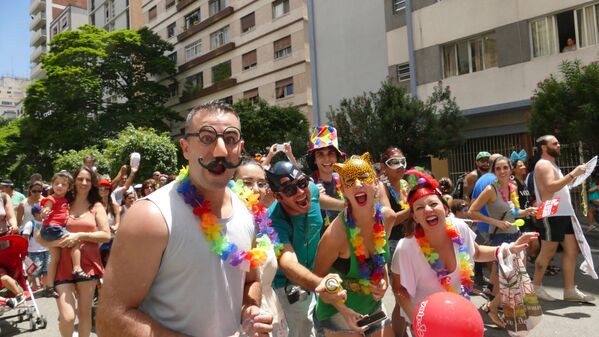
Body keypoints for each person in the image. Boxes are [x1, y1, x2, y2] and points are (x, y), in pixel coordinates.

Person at [96, 102, 273, 336]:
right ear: (186, 147)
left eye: (230, 139)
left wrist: (249, 310)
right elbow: (111, 319)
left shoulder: (247, 211)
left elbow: (250, 281)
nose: (220, 151)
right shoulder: (151, 216)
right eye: (207, 138)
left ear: (240, 148)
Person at [390, 172, 539, 330]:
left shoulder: (459, 228)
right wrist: (418, 322)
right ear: (415, 217)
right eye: (419, 207)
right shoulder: (406, 248)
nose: (427, 210)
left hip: (459, 316)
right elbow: (400, 289)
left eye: (433, 204)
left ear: (446, 209)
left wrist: (509, 248)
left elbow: (477, 252)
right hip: (428, 324)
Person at [313, 153, 395, 336]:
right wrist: (342, 309)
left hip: (372, 308)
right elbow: (317, 278)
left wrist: (384, 282)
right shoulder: (336, 234)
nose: (358, 184)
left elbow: (381, 259)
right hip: (337, 312)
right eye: (350, 180)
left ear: (375, 183)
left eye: (364, 177)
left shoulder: (387, 218)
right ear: (342, 188)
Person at [266, 161, 345, 337]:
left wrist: (344, 205)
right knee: (303, 330)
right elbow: (288, 263)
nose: (301, 192)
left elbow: (317, 197)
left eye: (302, 183)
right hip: (291, 285)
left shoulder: (310, 190)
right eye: (289, 190)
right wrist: (319, 285)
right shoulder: (272, 222)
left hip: (317, 273)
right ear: (278, 197)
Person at [37, 166, 110, 337]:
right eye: (79, 179)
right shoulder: (63, 202)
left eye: (87, 179)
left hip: (87, 266)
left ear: (92, 183)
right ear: (73, 181)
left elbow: (106, 235)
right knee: (68, 318)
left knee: (85, 316)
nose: (83, 183)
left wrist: (79, 236)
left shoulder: (96, 206)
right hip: (62, 266)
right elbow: (40, 237)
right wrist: (59, 242)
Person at [468, 156, 537, 327]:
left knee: (514, 277)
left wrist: (525, 211)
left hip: (515, 235)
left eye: (505, 167)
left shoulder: (511, 187)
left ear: (510, 168)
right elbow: (472, 211)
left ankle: (500, 308)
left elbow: (512, 212)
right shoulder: (492, 189)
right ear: (494, 171)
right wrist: (496, 222)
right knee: (514, 278)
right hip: (501, 238)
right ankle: (493, 307)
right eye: (498, 169)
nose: (502, 171)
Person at [531, 135, 597, 302]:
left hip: (563, 213)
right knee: (548, 251)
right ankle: (535, 287)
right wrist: (573, 174)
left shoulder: (551, 164)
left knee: (572, 249)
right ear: (544, 148)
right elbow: (549, 188)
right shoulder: (543, 164)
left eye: (558, 142)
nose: (558, 145)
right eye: (554, 143)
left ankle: (569, 290)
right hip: (551, 212)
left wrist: (573, 177)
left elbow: (559, 186)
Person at [233, 158, 289, 336]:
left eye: (261, 183)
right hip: (243, 319)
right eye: (247, 183)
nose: (256, 189)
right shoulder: (227, 228)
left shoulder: (263, 223)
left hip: (272, 313)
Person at [40, 171, 89, 297]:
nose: (59, 186)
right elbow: (47, 207)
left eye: (63, 184)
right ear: (52, 185)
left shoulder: (65, 200)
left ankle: (49, 287)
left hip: (53, 229)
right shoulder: (51, 198)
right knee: (75, 240)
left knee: (54, 258)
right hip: (52, 228)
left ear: (69, 188)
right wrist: (45, 211)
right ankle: (77, 268)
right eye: (56, 183)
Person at [306, 125, 346, 230]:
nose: (327, 159)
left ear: (336, 157)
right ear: (314, 159)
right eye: (320, 154)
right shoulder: (308, 183)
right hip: (318, 244)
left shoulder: (343, 180)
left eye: (330, 153)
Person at [21, 204, 49, 292]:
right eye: (42, 212)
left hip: (47, 250)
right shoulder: (30, 224)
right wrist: (25, 251)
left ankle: (46, 288)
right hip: (34, 251)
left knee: (47, 270)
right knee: (34, 271)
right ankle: (25, 288)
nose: (44, 213)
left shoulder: (46, 222)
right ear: (36, 214)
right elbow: (25, 238)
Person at [98, 178, 120, 266]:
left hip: (111, 238)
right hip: (98, 239)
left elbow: (118, 223)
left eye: (106, 188)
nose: (103, 190)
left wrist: (115, 227)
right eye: (101, 188)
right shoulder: (94, 205)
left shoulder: (114, 205)